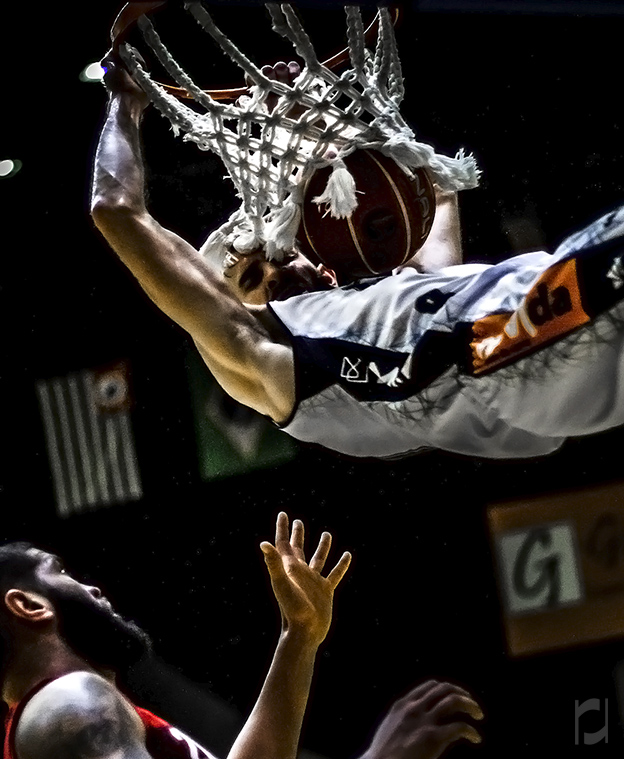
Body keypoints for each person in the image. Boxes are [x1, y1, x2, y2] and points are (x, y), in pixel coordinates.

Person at [91, 53, 624, 461]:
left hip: (540, 316)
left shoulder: (406, 284)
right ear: (232, 308)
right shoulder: (263, 353)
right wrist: (125, 103)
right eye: (251, 277)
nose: (274, 272)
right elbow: (115, 210)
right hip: (513, 345)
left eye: (273, 254)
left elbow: (433, 189)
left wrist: (305, 119)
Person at [0, 514, 484, 759]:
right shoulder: (70, 705)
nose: (92, 586)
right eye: (59, 571)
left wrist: (299, 638)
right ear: (28, 605)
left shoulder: (64, 712)